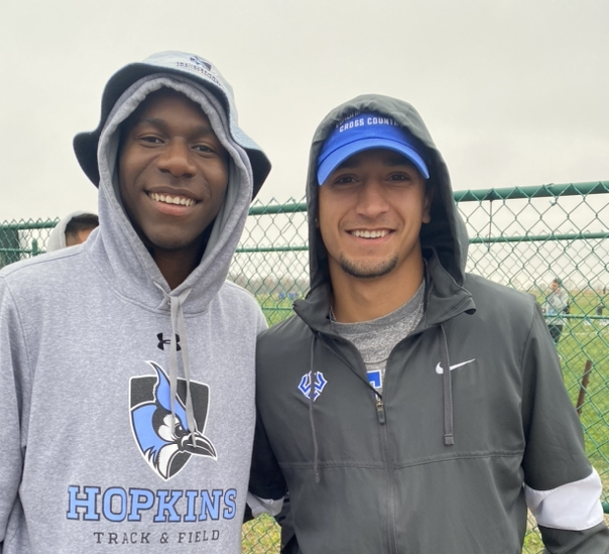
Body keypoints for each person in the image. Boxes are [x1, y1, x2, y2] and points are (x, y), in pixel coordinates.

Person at [0, 51, 271, 553]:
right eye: (151, 138)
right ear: (112, 156)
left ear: (235, 177)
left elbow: (259, 488)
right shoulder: (25, 301)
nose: (177, 161)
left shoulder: (246, 322)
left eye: (205, 145)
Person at [248, 96, 609, 553]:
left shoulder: (509, 326)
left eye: (397, 178)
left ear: (427, 201)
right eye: (346, 180)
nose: (371, 204)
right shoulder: (275, 358)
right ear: (316, 207)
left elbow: (573, 519)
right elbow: (240, 495)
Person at [543, 277, 569, 343]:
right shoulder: (550, 293)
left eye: (554, 286)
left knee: (553, 343)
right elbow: (546, 305)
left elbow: (561, 306)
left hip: (557, 322)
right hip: (547, 321)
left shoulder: (564, 295)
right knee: (545, 342)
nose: (552, 287)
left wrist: (555, 295)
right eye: (552, 285)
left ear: (559, 286)